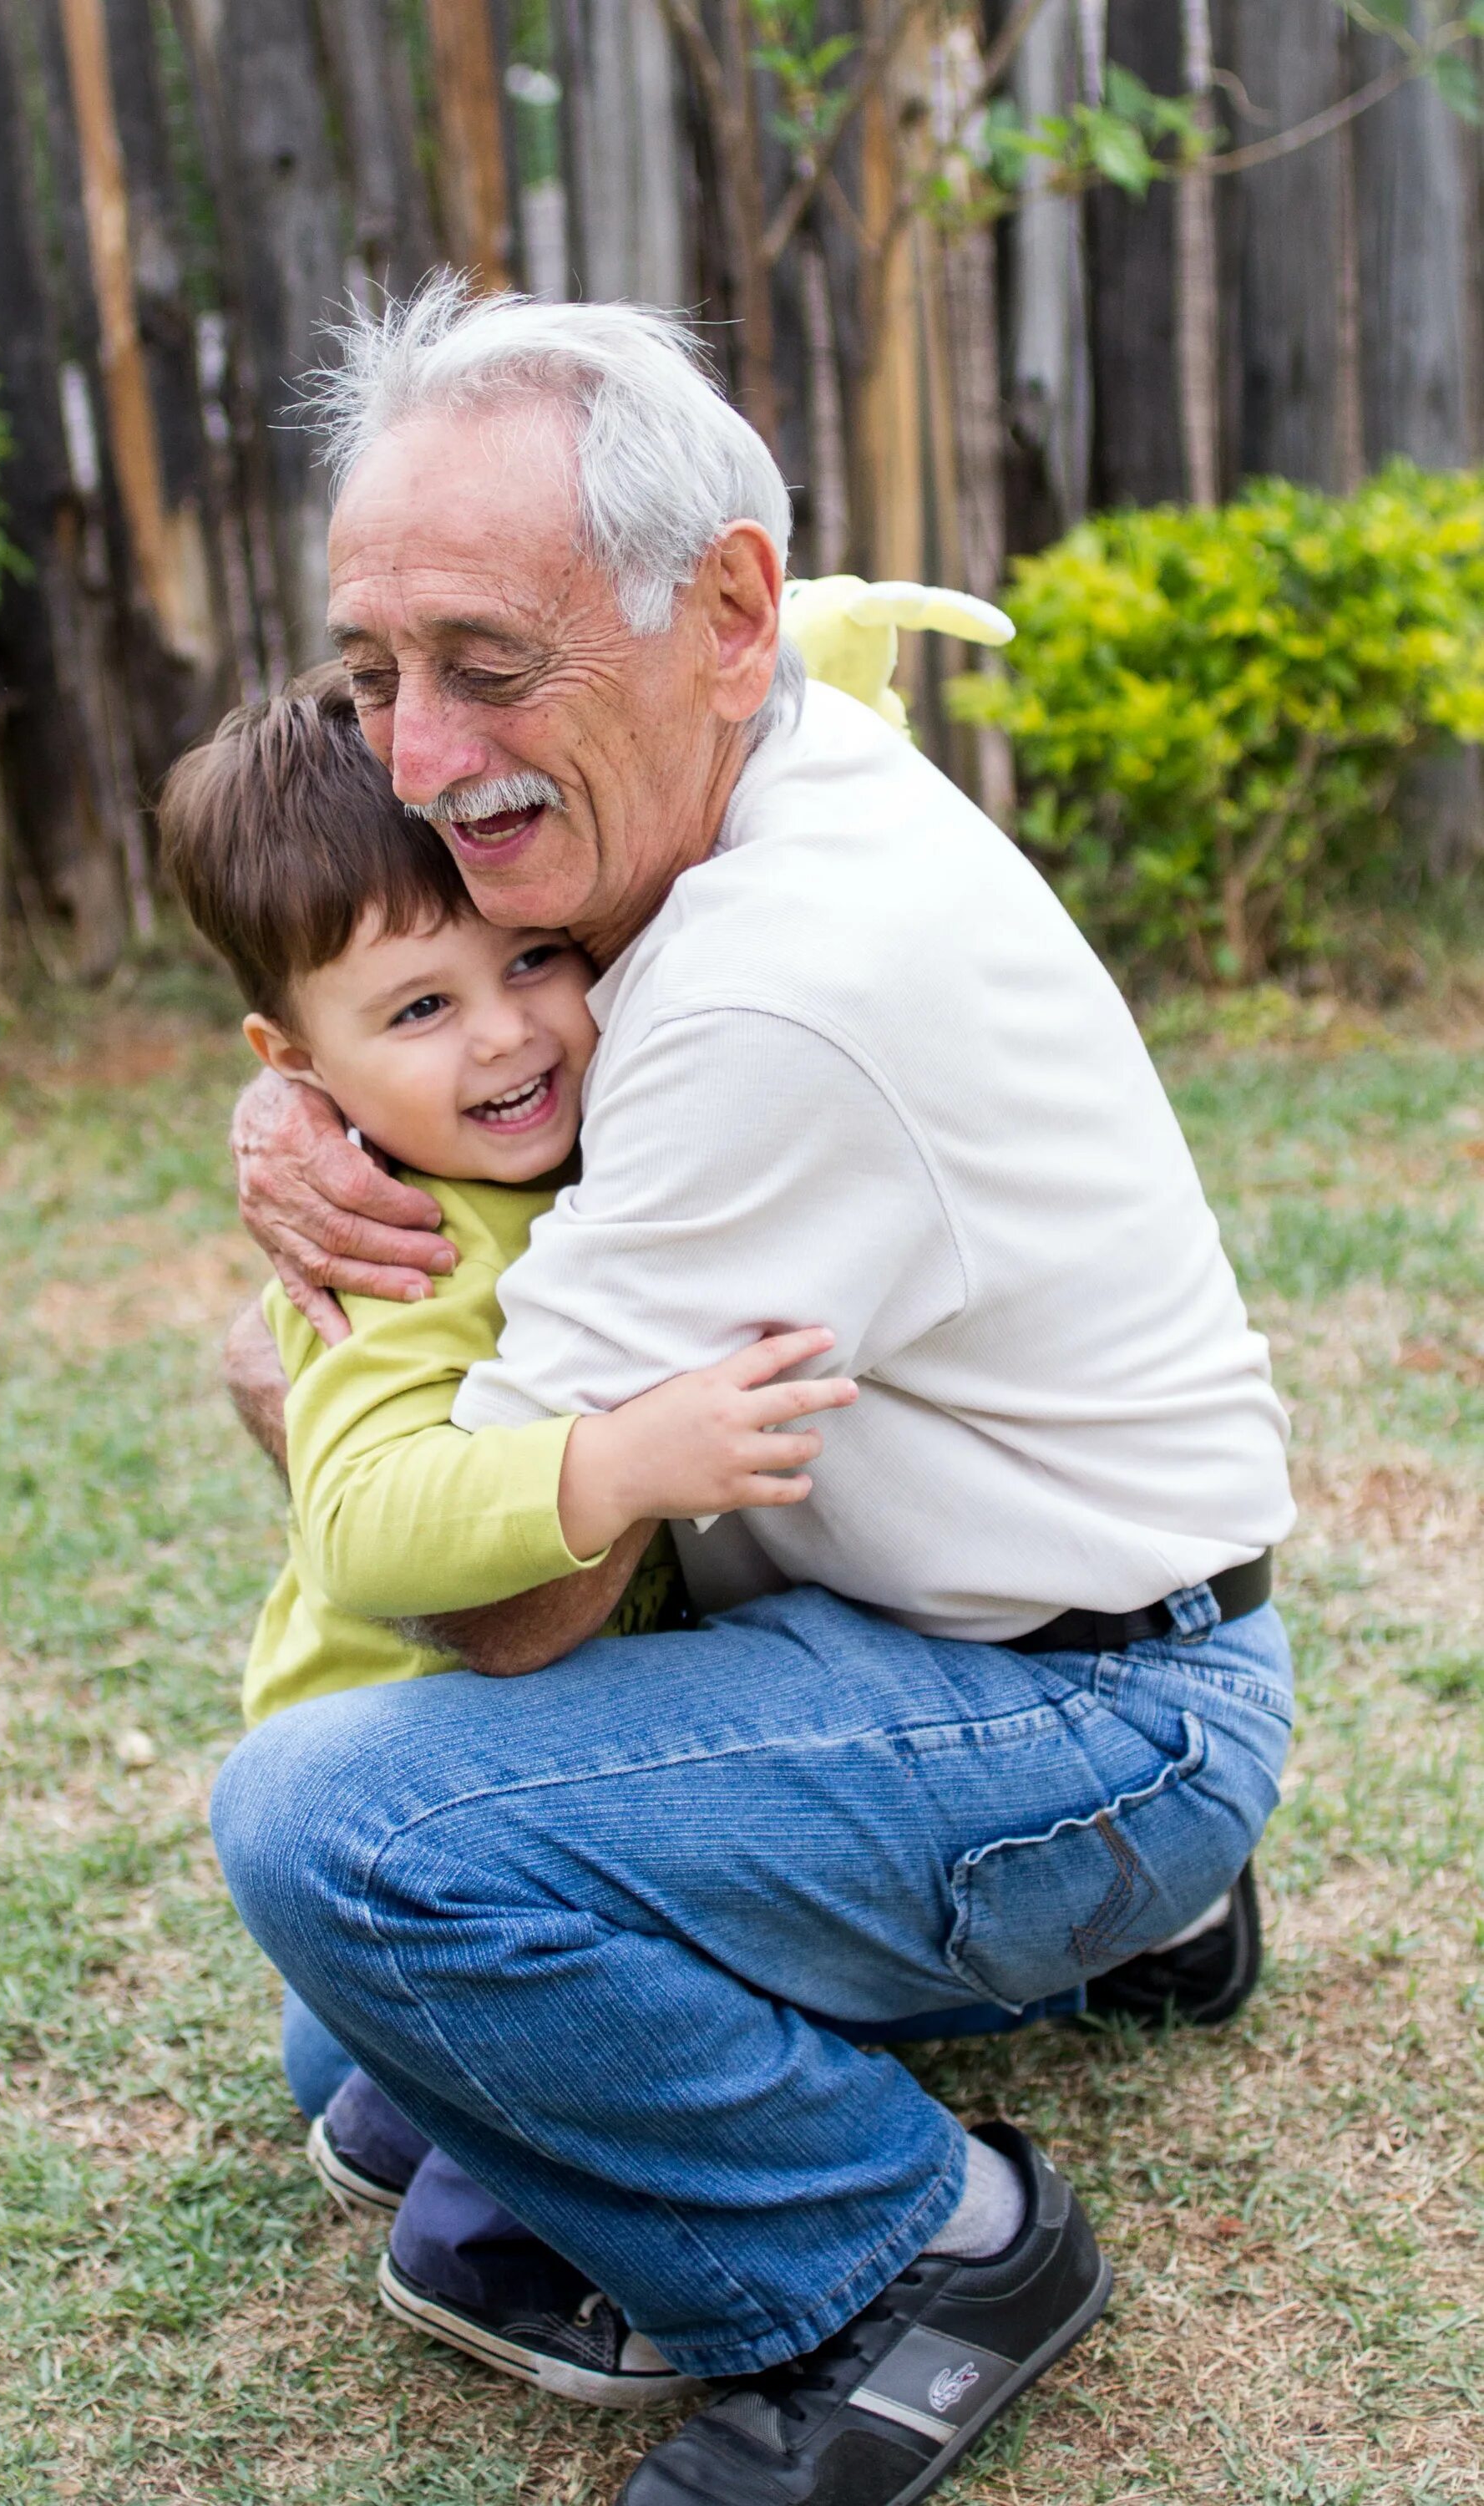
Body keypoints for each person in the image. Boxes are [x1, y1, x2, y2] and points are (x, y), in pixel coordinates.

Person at [211, 280, 1295, 2506]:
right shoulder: (739, 774)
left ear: (725, 611)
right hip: (968, 1623)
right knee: (363, 2047)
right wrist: (316, 1123)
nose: (417, 760)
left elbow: (511, 1613)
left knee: (336, 1837)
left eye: (483, 669)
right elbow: (445, 1012)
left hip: (1088, 1708)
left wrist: (304, 1359)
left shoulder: (769, 989)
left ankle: (908, 2265)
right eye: (371, 674)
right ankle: (1111, 1941)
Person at [160, 667, 857, 2397]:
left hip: (484, 1771)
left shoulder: (560, 1158)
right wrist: (620, 1464)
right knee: (533, 2015)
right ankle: (504, 2232)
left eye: (532, 962)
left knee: (372, 2067)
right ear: (295, 1072)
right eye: (418, 1011)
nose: (505, 1037)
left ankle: (421, 2091)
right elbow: (374, 1537)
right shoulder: (396, 1251)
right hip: (406, 1777)